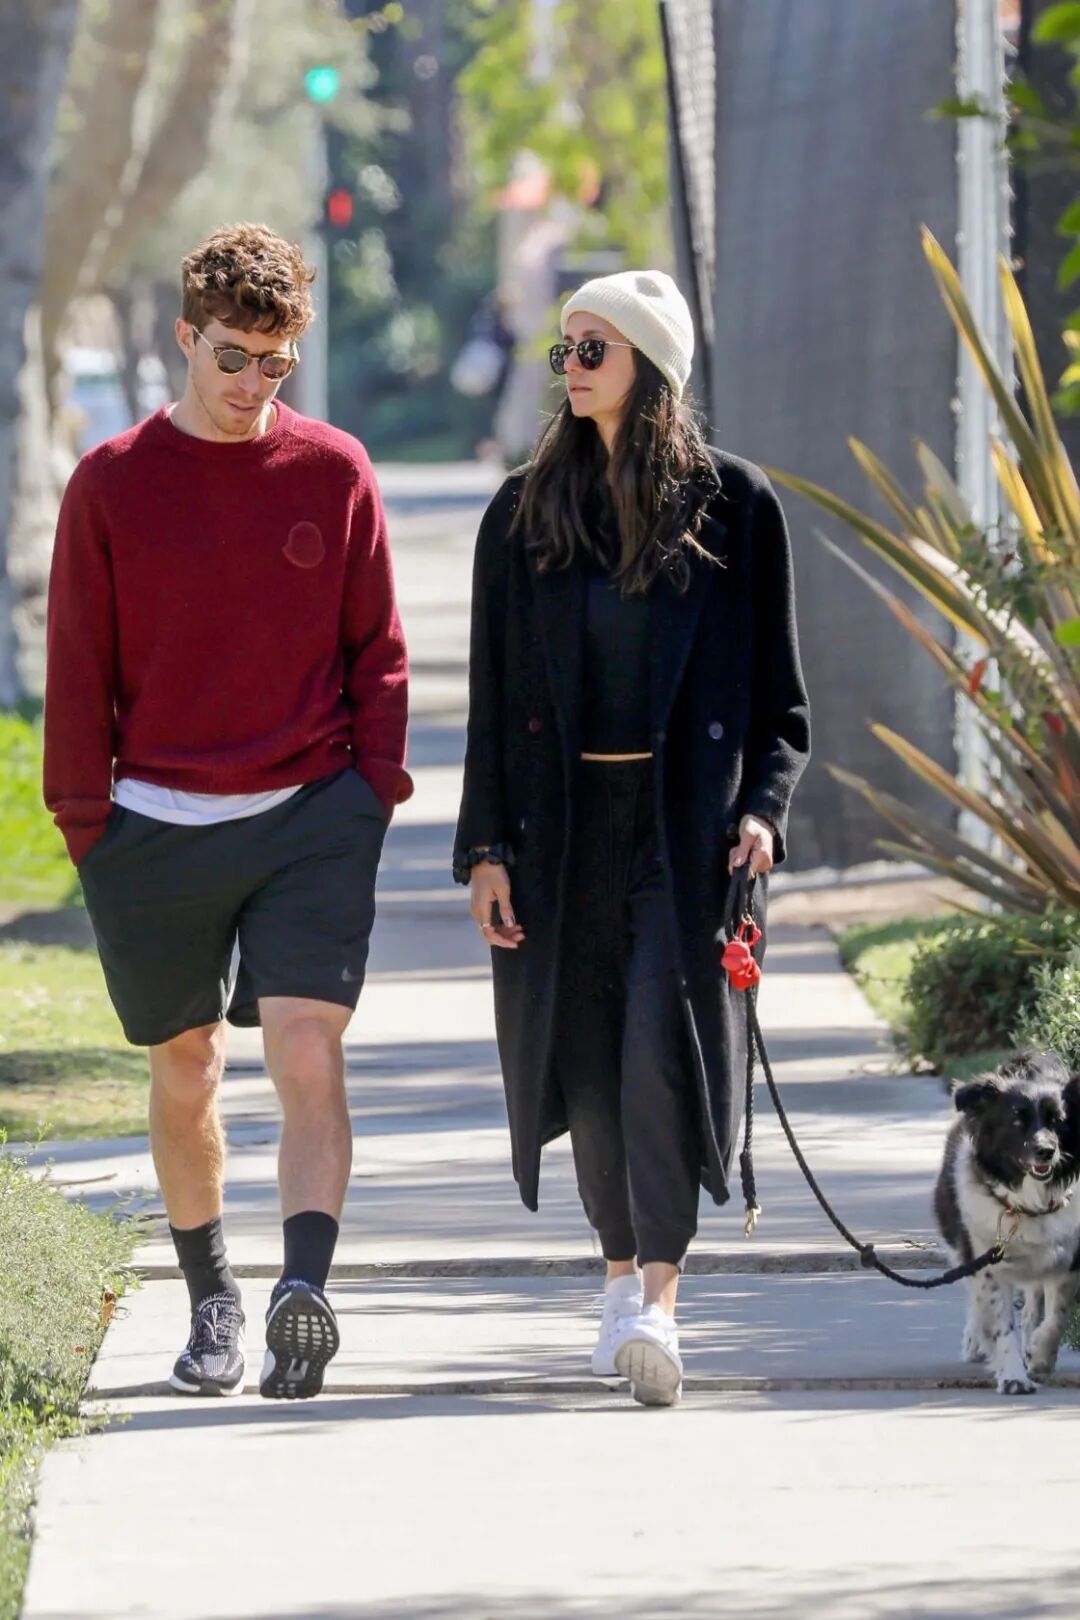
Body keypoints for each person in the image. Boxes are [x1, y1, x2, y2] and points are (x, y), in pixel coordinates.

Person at [43, 223, 411, 1400]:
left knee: (306, 1045)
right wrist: (84, 820)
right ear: (185, 339)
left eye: (275, 362)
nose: (254, 385)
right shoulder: (111, 484)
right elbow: (76, 665)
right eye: (233, 358)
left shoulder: (334, 470)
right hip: (152, 823)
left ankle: (305, 1289)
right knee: (188, 1065)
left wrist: (371, 792)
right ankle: (212, 1303)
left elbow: (377, 651)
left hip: (310, 814)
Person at [453, 269, 810, 1407]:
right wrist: (485, 849)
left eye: (593, 347)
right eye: (564, 347)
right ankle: (617, 1279)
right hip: (561, 834)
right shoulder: (522, 513)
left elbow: (782, 705)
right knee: (586, 1057)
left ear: (650, 363)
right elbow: (491, 702)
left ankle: (659, 1298)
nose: (571, 366)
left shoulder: (736, 506)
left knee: (664, 1045)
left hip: (687, 833)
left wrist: (763, 811)